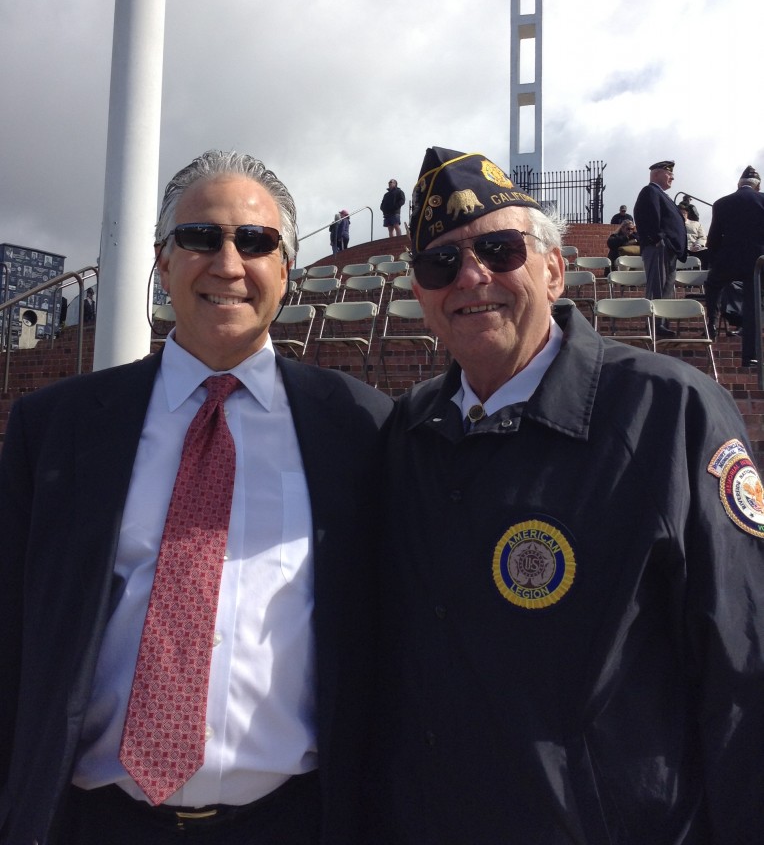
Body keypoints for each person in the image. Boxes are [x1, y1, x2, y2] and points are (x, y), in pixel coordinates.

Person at [367, 145, 764, 845]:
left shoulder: (669, 414)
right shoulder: (408, 430)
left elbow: (744, 673)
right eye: (440, 262)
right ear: (420, 292)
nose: (471, 276)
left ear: (553, 269)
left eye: (498, 249)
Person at [0, 149, 393, 844]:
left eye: (256, 242)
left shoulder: (361, 427)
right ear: (161, 261)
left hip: (294, 822)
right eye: (201, 237)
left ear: (287, 270)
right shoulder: (56, 428)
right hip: (92, 822)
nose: (228, 263)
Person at [704, 165, 764, 365]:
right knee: (753, 306)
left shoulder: (721, 203)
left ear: (739, 185)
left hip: (727, 260)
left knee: (712, 286)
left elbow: (712, 239)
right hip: (757, 263)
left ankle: (711, 325)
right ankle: (750, 356)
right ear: (757, 186)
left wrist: (714, 261)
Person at [633, 160, 687, 333]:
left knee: (666, 288)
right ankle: (655, 325)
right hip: (659, 247)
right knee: (657, 286)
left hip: (668, 249)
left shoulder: (662, 195)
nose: (673, 177)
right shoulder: (650, 191)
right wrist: (657, 238)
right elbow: (645, 216)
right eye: (669, 173)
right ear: (656, 174)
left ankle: (662, 323)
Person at [678, 202, 709, 267]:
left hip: (695, 248)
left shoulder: (696, 224)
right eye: (680, 213)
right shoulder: (673, 225)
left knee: (707, 252)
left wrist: (697, 245)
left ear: (687, 214)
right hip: (680, 249)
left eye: (684, 213)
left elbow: (702, 237)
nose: (682, 215)